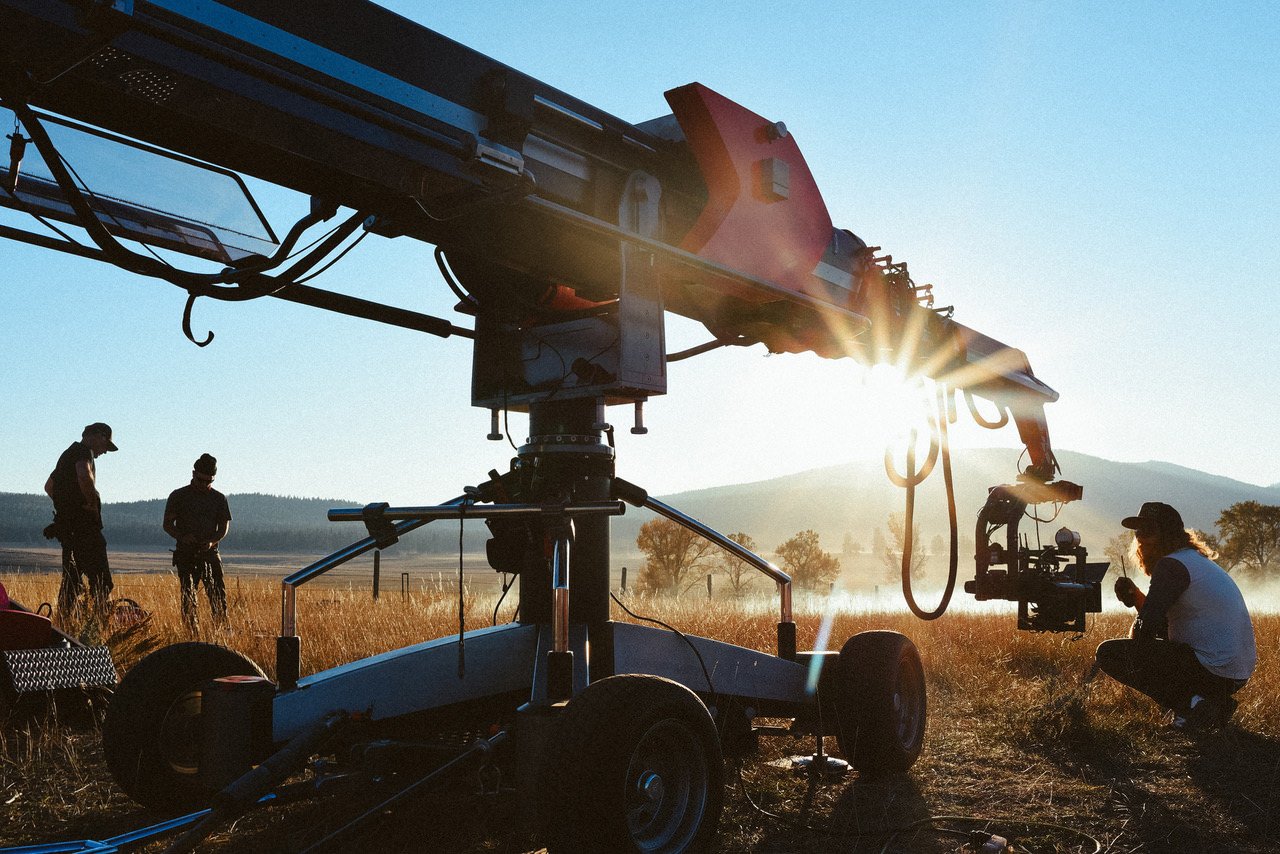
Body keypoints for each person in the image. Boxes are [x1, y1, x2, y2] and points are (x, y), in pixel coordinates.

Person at [1096, 501, 1256, 731]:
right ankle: (1209, 704)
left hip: (1213, 670)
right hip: (1233, 673)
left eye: (1149, 530)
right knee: (1151, 648)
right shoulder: (1193, 560)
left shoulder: (1171, 565)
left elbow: (1145, 632)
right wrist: (1139, 599)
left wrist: (1140, 628)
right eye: (1138, 531)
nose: (1140, 538)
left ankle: (1192, 707)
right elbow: (1163, 625)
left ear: (1167, 534)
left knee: (1109, 654)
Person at [43, 422, 117, 621]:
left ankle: (64, 624)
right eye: (106, 445)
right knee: (102, 582)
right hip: (85, 529)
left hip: (68, 529)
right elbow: (84, 475)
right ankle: (101, 625)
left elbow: (49, 486)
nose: (105, 451)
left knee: (72, 581)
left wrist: (66, 507)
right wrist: (91, 504)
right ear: (96, 436)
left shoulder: (67, 454)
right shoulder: (83, 452)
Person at [163, 453, 231, 632]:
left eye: (208, 481)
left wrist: (211, 542)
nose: (204, 485)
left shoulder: (219, 499)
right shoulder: (178, 496)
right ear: (193, 474)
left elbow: (223, 528)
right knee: (188, 597)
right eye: (201, 480)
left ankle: (221, 631)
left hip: (210, 554)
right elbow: (167, 525)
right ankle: (190, 633)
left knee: (218, 596)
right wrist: (183, 537)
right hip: (186, 554)